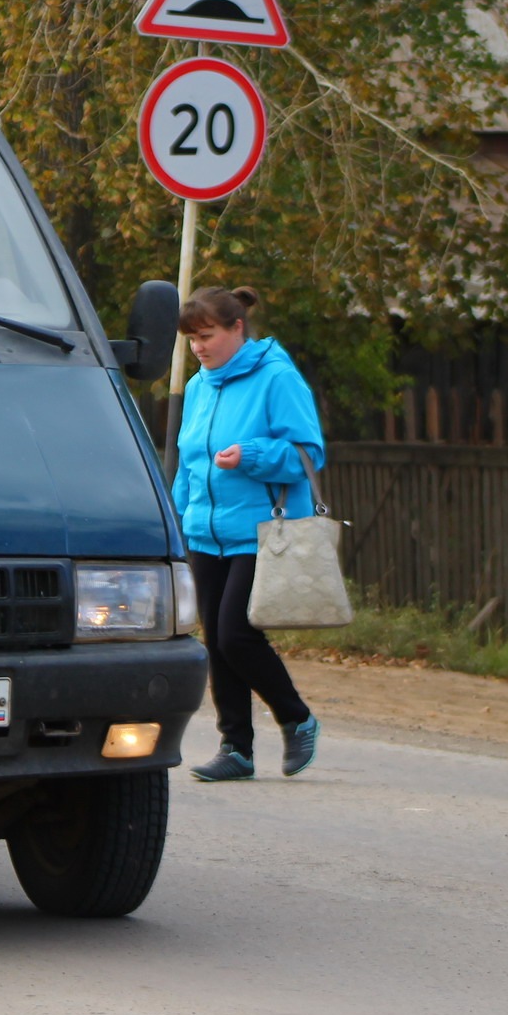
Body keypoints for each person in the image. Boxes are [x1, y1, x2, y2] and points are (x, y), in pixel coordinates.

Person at [170, 286, 323, 782]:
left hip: (262, 529)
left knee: (236, 635)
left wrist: (251, 455)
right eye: (192, 339)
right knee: (216, 641)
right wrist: (176, 518)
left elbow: (308, 454)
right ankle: (236, 747)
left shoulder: (276, 377)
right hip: (204, 532)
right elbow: (189, 463)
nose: (198, 347)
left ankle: (296, 717)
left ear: (238, 328)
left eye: (207, 336)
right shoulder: (198, 386)